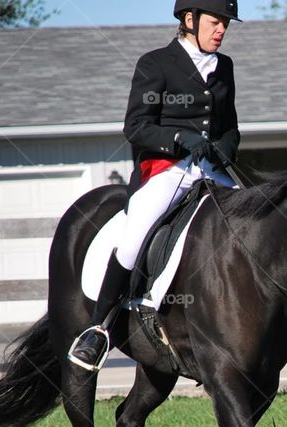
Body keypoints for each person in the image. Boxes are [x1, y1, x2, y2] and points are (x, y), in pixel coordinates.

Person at [68, 0, 242, 371]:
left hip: (211, 169)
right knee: (134, 239)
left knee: (252, 223)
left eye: (226, 23)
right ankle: (99, 329)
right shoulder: (156, 63)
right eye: (216, 22)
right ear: (190, 20)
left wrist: (226, 145)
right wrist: (180, 137)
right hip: (167, 169)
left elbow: (229, 124)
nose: (222, 30)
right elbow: (136, 126)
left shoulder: (224, 66)